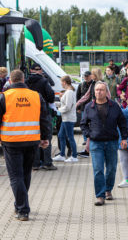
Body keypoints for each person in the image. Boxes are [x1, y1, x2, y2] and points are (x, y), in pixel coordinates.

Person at [0, 70, 51, 221]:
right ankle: (20, 205)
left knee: (16, 177)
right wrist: (45, 138)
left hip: (11, 142)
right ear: (23, 79)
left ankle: (22, 210)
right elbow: (45, 118)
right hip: (32, 141)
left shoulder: (4, 97)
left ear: (11, 81)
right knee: (26, 174)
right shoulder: (36, 96)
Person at [80, 81, 128, 206]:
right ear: (94, 92)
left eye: (101, 90)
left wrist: (124, 138)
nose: (99, 92)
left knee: (111, 168)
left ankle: (108, 190)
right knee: (98, 170)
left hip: (112, 142)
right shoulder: (89, 107)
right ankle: (100, 195)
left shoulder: (114, 106)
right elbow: (83, 124)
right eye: (97, 90)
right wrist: (89, 135)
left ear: (106, 92)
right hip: (96, 143)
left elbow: (122, 122)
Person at [26, 63, 56, 171]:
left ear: (31, 70)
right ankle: (47, 162)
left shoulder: (26, 81)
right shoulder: (44, 81)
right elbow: (51, 96)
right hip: (43, 112)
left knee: (34, 137)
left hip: (30, 114)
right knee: (46, 136)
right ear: (40, 70)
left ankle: (35, 163)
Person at [53, 75, 78, 163]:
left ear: (64, 82)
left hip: (68, 118)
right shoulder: (68, 92)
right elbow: (65, 104)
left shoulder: (69, 92)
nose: (61, 84)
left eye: (61, 82)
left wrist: (58, 110)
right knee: (61, 135)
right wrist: (57, 104)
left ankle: (74, 156)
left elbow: (68, 106)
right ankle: (62, 154)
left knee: (70, 137)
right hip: (65, 118)